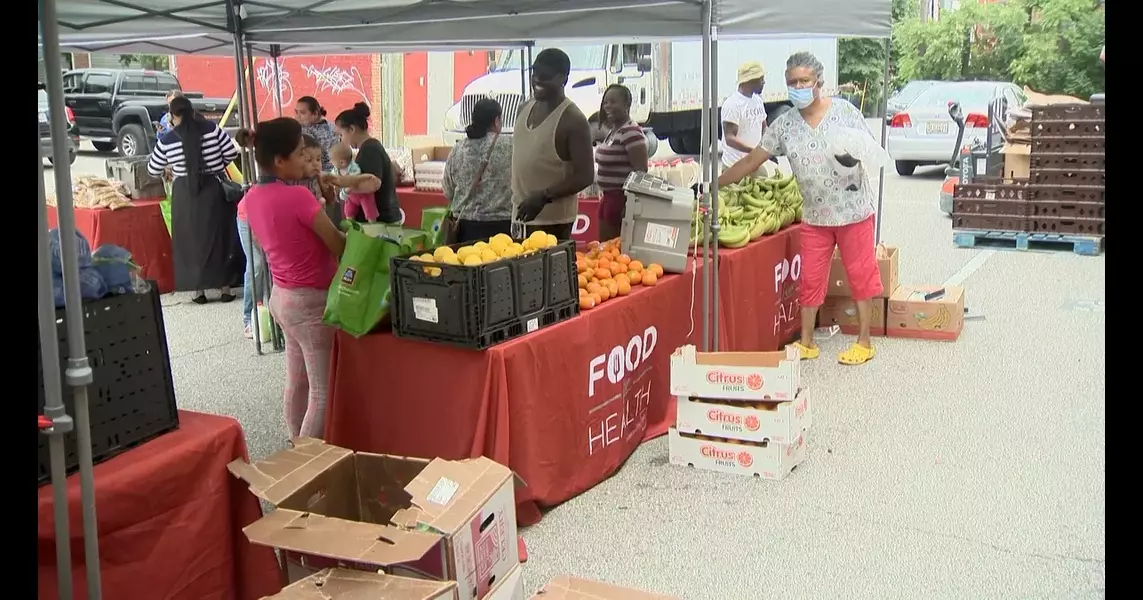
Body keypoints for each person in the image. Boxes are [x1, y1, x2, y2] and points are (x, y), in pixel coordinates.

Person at [719, 51, 883, 366]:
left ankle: (864, 341)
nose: (798, 86)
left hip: (853, 211)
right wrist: (716, 184)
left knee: (860, 274)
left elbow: (869, 148)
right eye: (792, 82)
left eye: (803, 80)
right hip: (815, 216)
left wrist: (851, 156)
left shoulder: (845, 112)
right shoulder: (784, 126)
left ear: (818, 81)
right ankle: (806, 342)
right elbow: (754, 160)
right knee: (810, 278)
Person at [239, 118, 346, 439]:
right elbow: (338, 244)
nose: (306, 160)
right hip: (311, 302)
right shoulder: (299, 198)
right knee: (321, 394)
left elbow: (260, 243)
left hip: (282, 297)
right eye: (300, 153)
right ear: (279, 161)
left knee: (297, 382)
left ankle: (294, 449)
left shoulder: (251, 198)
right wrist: (332, 209)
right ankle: (304, 464)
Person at [147, 96, 244, 304]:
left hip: (185, 193)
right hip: (214, 189)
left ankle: (198, 291)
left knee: (190, 240)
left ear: (173, 116)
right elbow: (229, 153)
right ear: (192, 111)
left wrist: (172, 167)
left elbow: (153, 168)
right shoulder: (212, 129)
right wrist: (214, 165)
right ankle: (225, 288)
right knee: (219, 237)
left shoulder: (167, 140)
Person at [511, 48, 595, 240]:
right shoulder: (524, 107)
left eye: (545, 75)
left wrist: (543, 197)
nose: (537, 80)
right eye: (534, 73)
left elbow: (585, 176)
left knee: (546, 271)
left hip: (552, 222)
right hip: (519, 216)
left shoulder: (573, 120)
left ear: (563, 79)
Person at [442, 97, 513, 243]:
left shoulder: (458, 148)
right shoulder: (511, 146)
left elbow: (448, 190)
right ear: (496, 120)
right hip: (502, 229)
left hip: (465, 228)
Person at [594, 84, 649, 241]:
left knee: (615, 254)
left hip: (621, 202)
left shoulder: (631, 132)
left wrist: (629, 205)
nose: (608, 106)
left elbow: (641, 172)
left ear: (626, 104)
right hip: (608, 201)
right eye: (605, 102)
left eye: (613, 102)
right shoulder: (614, 131)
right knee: (605, 251)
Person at [334, 102, 401, 224]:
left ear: (352, 129)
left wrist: (344, 186)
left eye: (341, 135)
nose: (341, 140)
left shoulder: (370, 149)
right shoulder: (369, 148)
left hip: (381, 221)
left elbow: (371, 185)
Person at [721, 61, 769, 176]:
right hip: (734, 166)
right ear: (750, 80)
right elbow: (730, 138)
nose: (764, 82)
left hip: (754, 164)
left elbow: (764, 127)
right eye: (761, 79)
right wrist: (753, 151)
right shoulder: (732, 104)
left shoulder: (757, 101)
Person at [327, 143, 383, 224]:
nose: (330, 161)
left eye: (332, 160)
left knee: (369, 209)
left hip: (363, 194)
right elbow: (333, 177)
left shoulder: (354, 168)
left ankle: (372, 224)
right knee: (348, 210)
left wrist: (345, 189)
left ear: (342, 162)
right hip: (351, 196)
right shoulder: (336, 169)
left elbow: (354, 181)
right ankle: (350, 224)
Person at [296, 96, 339, 172]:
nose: (297, 116)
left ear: (315, 113)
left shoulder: (305, 131)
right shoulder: (332, 125)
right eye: (296, 112)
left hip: (320, 172)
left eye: (302, 113)